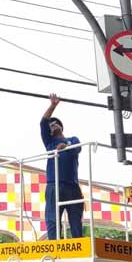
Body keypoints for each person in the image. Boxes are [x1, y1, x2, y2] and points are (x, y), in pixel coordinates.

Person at [41, 93, 84, 239]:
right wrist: (52, 106)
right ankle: (54, 246)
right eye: (50, 125)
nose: (52, 125)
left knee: (76, 219)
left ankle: (78, 244)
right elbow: (43, 122)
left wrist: (65, 146)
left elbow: (78, 147)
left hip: (72, 186)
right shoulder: (49, 144)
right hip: (54, 185)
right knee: (53, 218)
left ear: (61, 127)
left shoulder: (73, 139)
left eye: (55, 123)